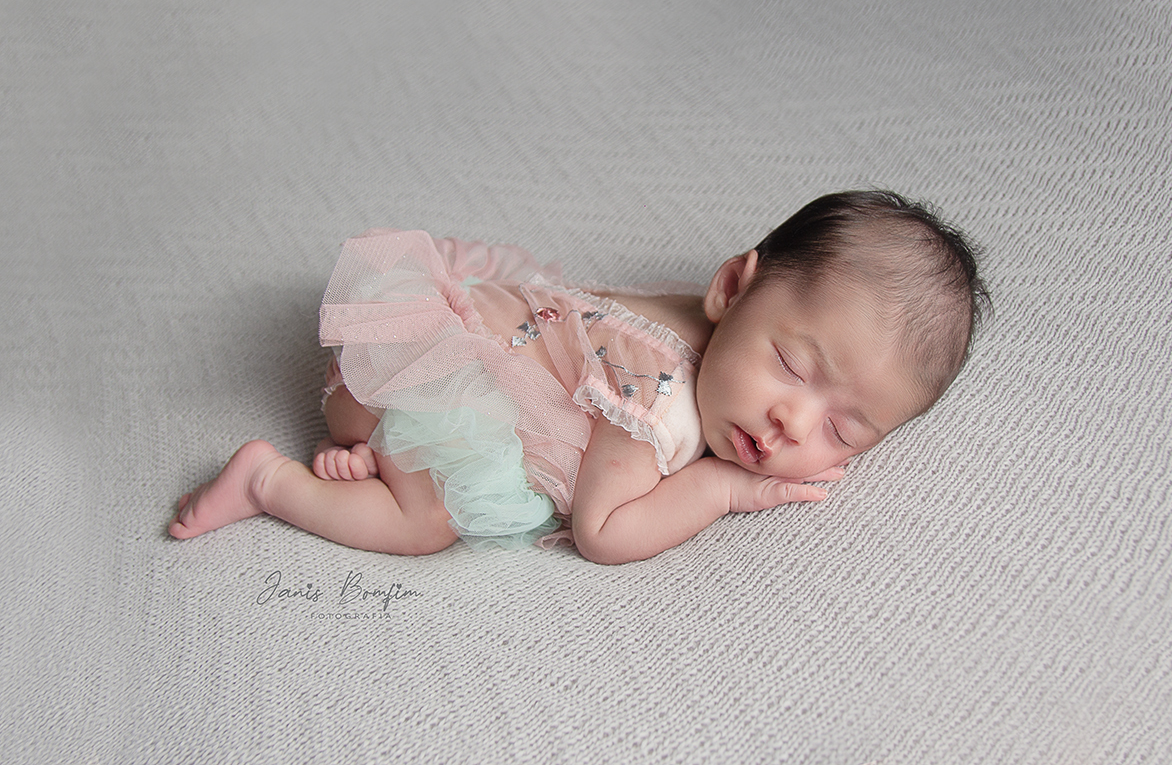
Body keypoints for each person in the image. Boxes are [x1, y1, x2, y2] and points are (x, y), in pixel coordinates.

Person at [169, 190, 989, 564]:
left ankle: (372, 449)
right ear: (732, 287)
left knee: (413, 446)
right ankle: (270, 482)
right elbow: (603, 531)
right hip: (413, 378)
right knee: (430, 525)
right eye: (793, 367)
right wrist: (722, 489)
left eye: (844, 430)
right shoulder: (658, 405)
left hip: (399, 343)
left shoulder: (693, 314)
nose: (794, 425)